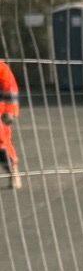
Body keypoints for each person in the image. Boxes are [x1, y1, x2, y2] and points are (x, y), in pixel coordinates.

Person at [0, 55, 21, 190]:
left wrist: (10, 110)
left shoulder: (1, 68)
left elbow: (10, 87)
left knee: (2, 143)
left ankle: (13, 171)